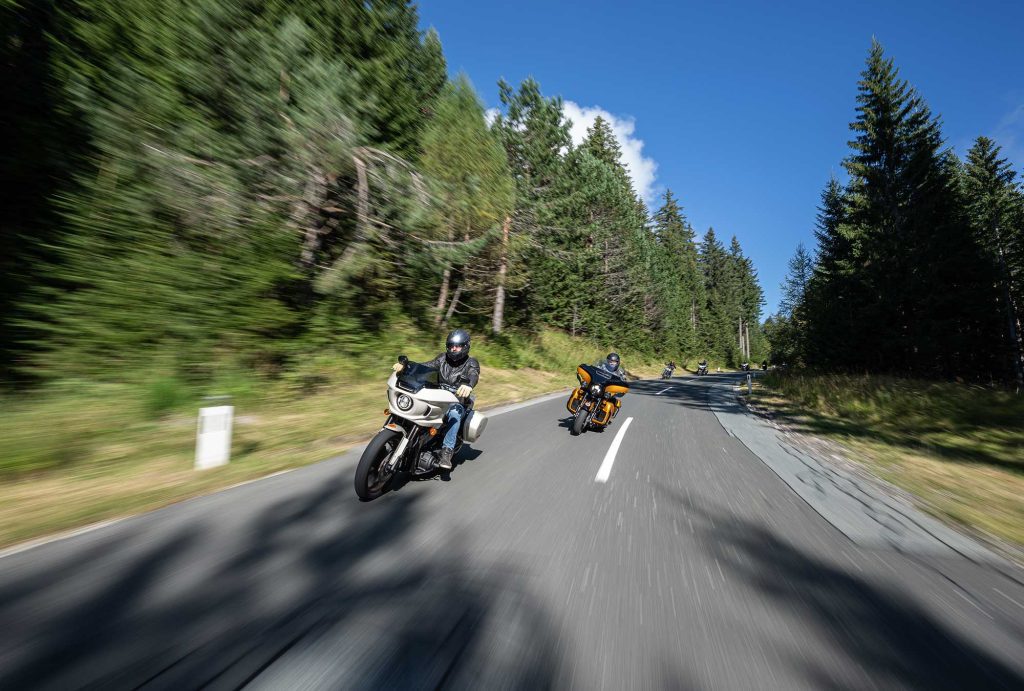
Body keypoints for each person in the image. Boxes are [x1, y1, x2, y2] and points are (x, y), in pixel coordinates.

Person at [392, 328, 479, 470]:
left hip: (457, 401)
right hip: (438, 397)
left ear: (465, 346)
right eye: (451, 346)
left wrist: (469, 385)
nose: (453, 349)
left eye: (457, 346)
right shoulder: (442, 358)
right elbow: (425, 366)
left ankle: (447, 451)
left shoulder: (471, 363)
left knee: (455, 414)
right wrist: (406, 367)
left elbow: (473, 374)